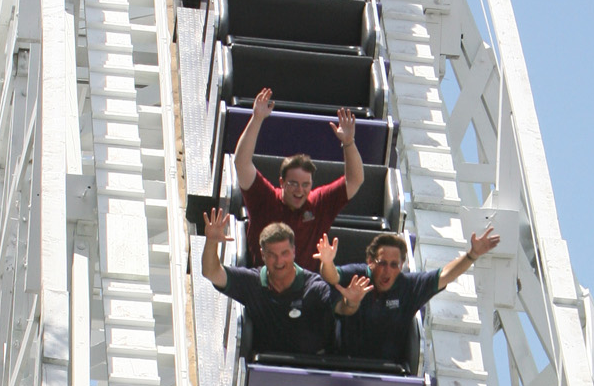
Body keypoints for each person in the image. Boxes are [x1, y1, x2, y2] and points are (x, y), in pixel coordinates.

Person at [316, 224, 502, 367]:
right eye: (382, 263)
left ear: (402, 265)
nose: (387, 270)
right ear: (371, 262)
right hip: (344, 362)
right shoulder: (359, 274)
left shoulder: (408, 286)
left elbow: (444, 275)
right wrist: (327, 261)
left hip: (388, 371)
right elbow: (331, 276)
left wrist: (472, 255)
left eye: (394, 265)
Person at [202, 211, 368, 358]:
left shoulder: (314, 288)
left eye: (285, 253)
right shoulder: (252, 282)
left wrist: (352, 301)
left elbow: (343, 308)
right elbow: (212, 273)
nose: (279, 261)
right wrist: (211, 241)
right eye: (272, 255)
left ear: (294, 252)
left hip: (312, 371)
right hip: (266, 371)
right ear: (263, 255)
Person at [234, 86, 364, 265]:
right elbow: (241, 163)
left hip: (306, 288)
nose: (299, 191)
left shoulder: (319, 203)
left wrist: (348, 143)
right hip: (263, 283)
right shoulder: (265, 198)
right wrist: (257, 119)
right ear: (282, 182)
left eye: (305, 185)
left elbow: (355, 180)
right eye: (293, 184)